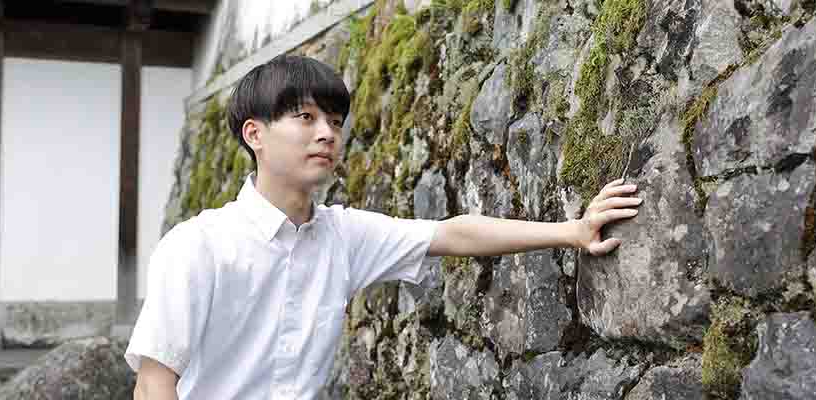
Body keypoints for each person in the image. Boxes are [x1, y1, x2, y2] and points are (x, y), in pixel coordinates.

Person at [125, 55, 642, 399]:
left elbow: (453, 234)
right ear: (254, 134)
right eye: (305, 118)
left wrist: (572, 231)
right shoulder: (197, 246)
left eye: (335, 121)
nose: (327, 133)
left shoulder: (343, 236)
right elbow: (153, 385)